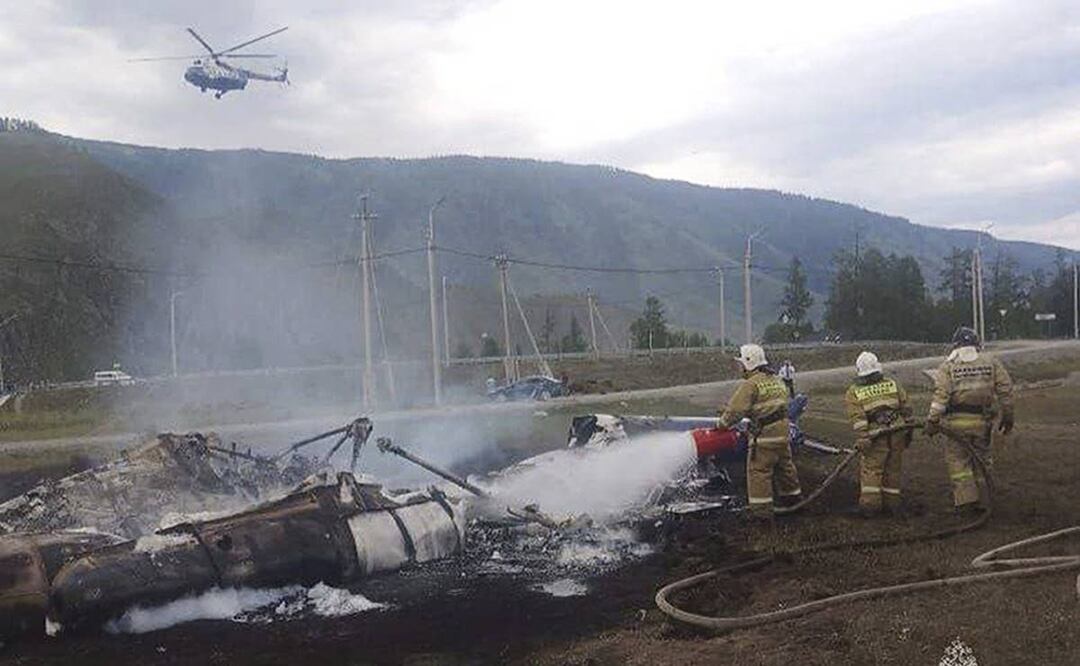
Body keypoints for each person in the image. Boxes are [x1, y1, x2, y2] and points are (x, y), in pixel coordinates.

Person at [925, 327, 1014, 516]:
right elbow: (1005, 391)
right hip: (982, 424)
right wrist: (1008, 416)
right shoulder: (991, 362)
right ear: (977, 343)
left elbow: (941, 397)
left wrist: (932, 421)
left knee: (959, 463)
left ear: (955, 345)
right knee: (982, 462)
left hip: (956, 425)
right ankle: (986, 498)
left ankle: (967, 501)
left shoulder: (948, 366)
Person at [719, 344, 801, 518]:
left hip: (765, 437)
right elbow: (772, 405)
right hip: (783, 434)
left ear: (749, 363)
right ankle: (794, 501)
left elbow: (735, 411)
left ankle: (761, 513)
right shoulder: (776, 380)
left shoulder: (751, 384)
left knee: (758, 471)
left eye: (741, 363)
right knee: (785, 467)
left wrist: (722, 423)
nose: (739, 367)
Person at [844, 351, 913, 516]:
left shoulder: (854, 392)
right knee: (893, 469)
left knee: (872, 470)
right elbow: (907, 408)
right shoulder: (892, 384)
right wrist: (908, 429)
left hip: (876, 437)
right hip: (897, 432)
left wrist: (863, 437)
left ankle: (870, 507)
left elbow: (858, 418)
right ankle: (892, 505)